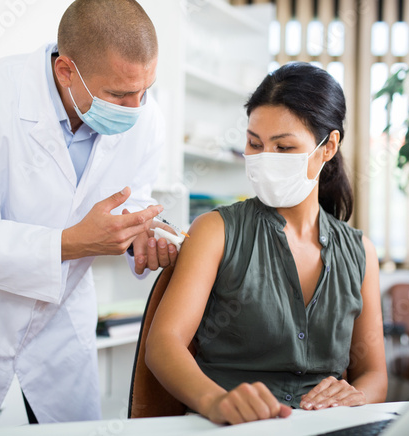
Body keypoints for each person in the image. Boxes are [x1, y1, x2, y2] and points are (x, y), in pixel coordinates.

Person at [0, 0, 178, 427]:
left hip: (64, 317)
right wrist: (74, 242)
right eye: (119, 94)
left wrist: (141, 235)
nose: (136, 108)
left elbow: (131, 199)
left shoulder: (146, 118)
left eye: (145, 90)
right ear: (66, 71)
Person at [145, 63, 388, 425]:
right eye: (254, 144)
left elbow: (375, 373)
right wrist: (215, 401)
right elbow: (163, 344)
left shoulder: (360, 252)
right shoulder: (215, 231)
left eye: (284, 147)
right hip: (231, 426)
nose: (264, 159)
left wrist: (357, 395)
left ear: (328, 147)